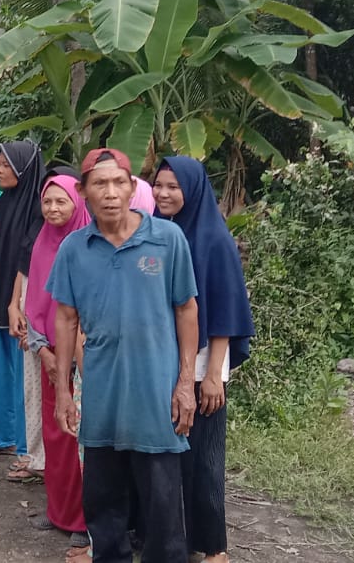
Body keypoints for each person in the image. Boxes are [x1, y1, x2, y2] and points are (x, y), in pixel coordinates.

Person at [50, 148, 200, 563]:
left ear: (134, 188)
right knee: (104, 509)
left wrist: (186, 383)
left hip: (156, 398)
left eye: (119, 182)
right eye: (100, 184)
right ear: (83, 192)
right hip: (102, 398)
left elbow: (187, 309)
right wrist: (63, 390)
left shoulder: (167, 240)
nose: (111, 192)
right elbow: (65, 319)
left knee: (163, 512)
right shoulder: (74, 250)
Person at [153, 156, 255, 563]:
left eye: (173, 187)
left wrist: (213, 376)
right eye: (158, 185)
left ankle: (213, 548)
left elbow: (227, 311)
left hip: (201, 367)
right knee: (169, 458)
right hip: (165, 361)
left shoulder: (214, 239)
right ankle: (178, 539)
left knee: (205, 458)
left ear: (192, 189)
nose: (163, 193)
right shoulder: (160, 233)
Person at [19, 174, 91, 553]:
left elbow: (84, 308)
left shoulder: (87, 244)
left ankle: (83, 519)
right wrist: (45, 351)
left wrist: (70, 356)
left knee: (80, 436)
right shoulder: (42, 244)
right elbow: (36, 303)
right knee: (55, 434)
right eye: (48, 202)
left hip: (81, 357)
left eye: (61, 201)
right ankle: (58, 510)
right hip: (47, 353)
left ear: (77, 203)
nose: (53, 209)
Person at [0, 141, 47, 468]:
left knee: (24, 381)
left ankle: (25, 449)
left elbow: (29, 259)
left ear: (22, 167)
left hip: (22, 305)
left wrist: (16, 303)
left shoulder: (38, 207)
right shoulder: (4, 202)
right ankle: (2, 436)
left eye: (5, 165)